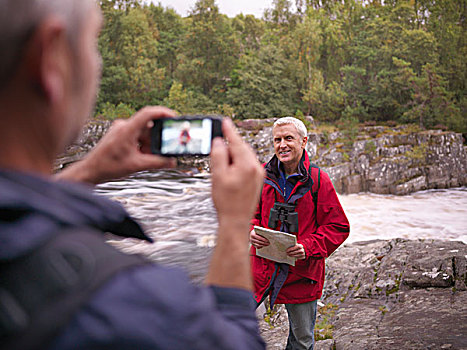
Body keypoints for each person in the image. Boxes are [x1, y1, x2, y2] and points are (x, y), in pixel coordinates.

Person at [0, 0, 266, 349]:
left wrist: (84, 173)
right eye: (93, 43)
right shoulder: (133, 303)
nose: (97, 63)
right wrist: (233, 224)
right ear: (51, 60)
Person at [249, 117, 350, 350]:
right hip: (261, 267)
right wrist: (250, 231)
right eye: (277, 140)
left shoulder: (318, 179)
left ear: (304, 141)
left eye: (288, 138)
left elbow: (338, 227)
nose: (282, 145)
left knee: (302, 340)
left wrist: (308, 247)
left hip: (302, 272)